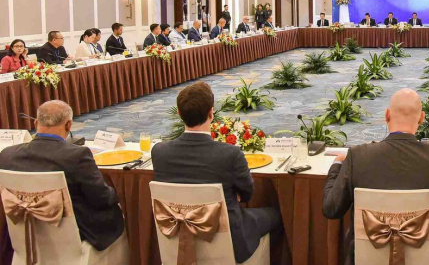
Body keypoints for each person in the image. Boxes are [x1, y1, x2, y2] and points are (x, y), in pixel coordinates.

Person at [152, 82, 282, 263]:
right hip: (231, 238)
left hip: (175, 232)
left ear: (179, 114)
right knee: (277, 215)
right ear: (211, 113)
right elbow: (247, 194)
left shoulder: (159, 152)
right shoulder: (230, 154)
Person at [323, 89, 429, 265]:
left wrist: (337, 164)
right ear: (421, 118)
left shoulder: (358, 156)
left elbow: (331, 209)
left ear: (387, 115)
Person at [0, 100, 126, 252]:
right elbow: (102, 198)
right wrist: (119, 194)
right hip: (77, 234)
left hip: (24, 230)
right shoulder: (77, 156)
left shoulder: (7, 155)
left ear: (35, 123)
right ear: (69, 125)